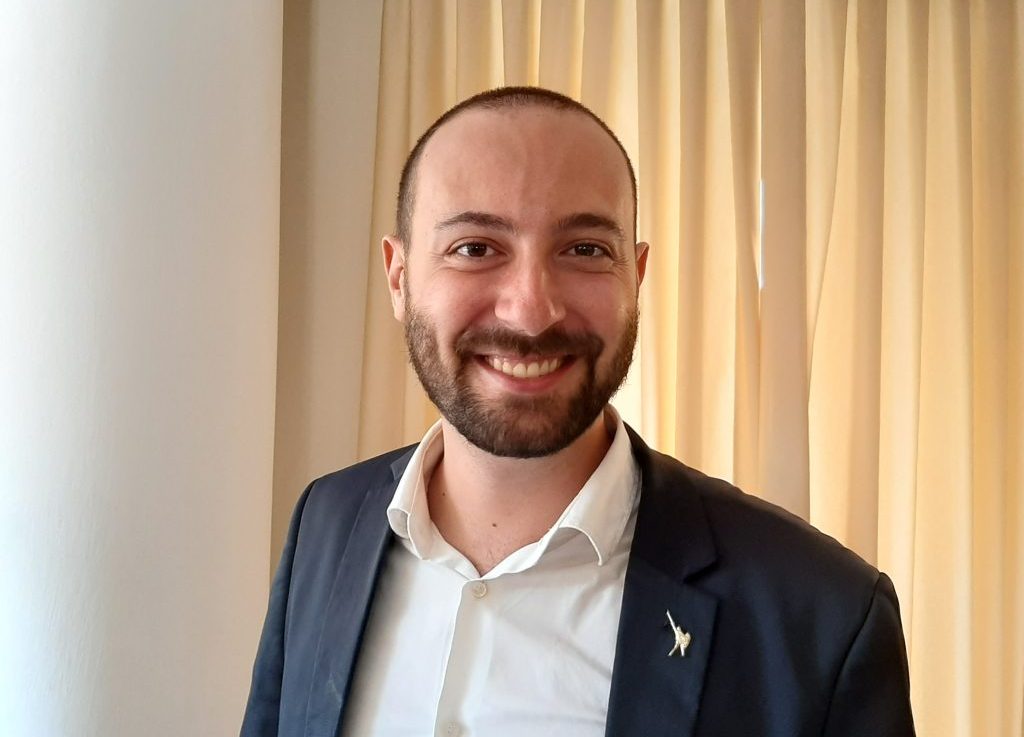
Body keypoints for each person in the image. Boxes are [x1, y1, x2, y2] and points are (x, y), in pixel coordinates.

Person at [241, 86, 915, 737]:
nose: (531, 311)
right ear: (399, 277)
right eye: (475, 248)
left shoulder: (823, 618)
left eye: (585, 250)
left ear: (636, 278)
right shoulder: (326, 525)